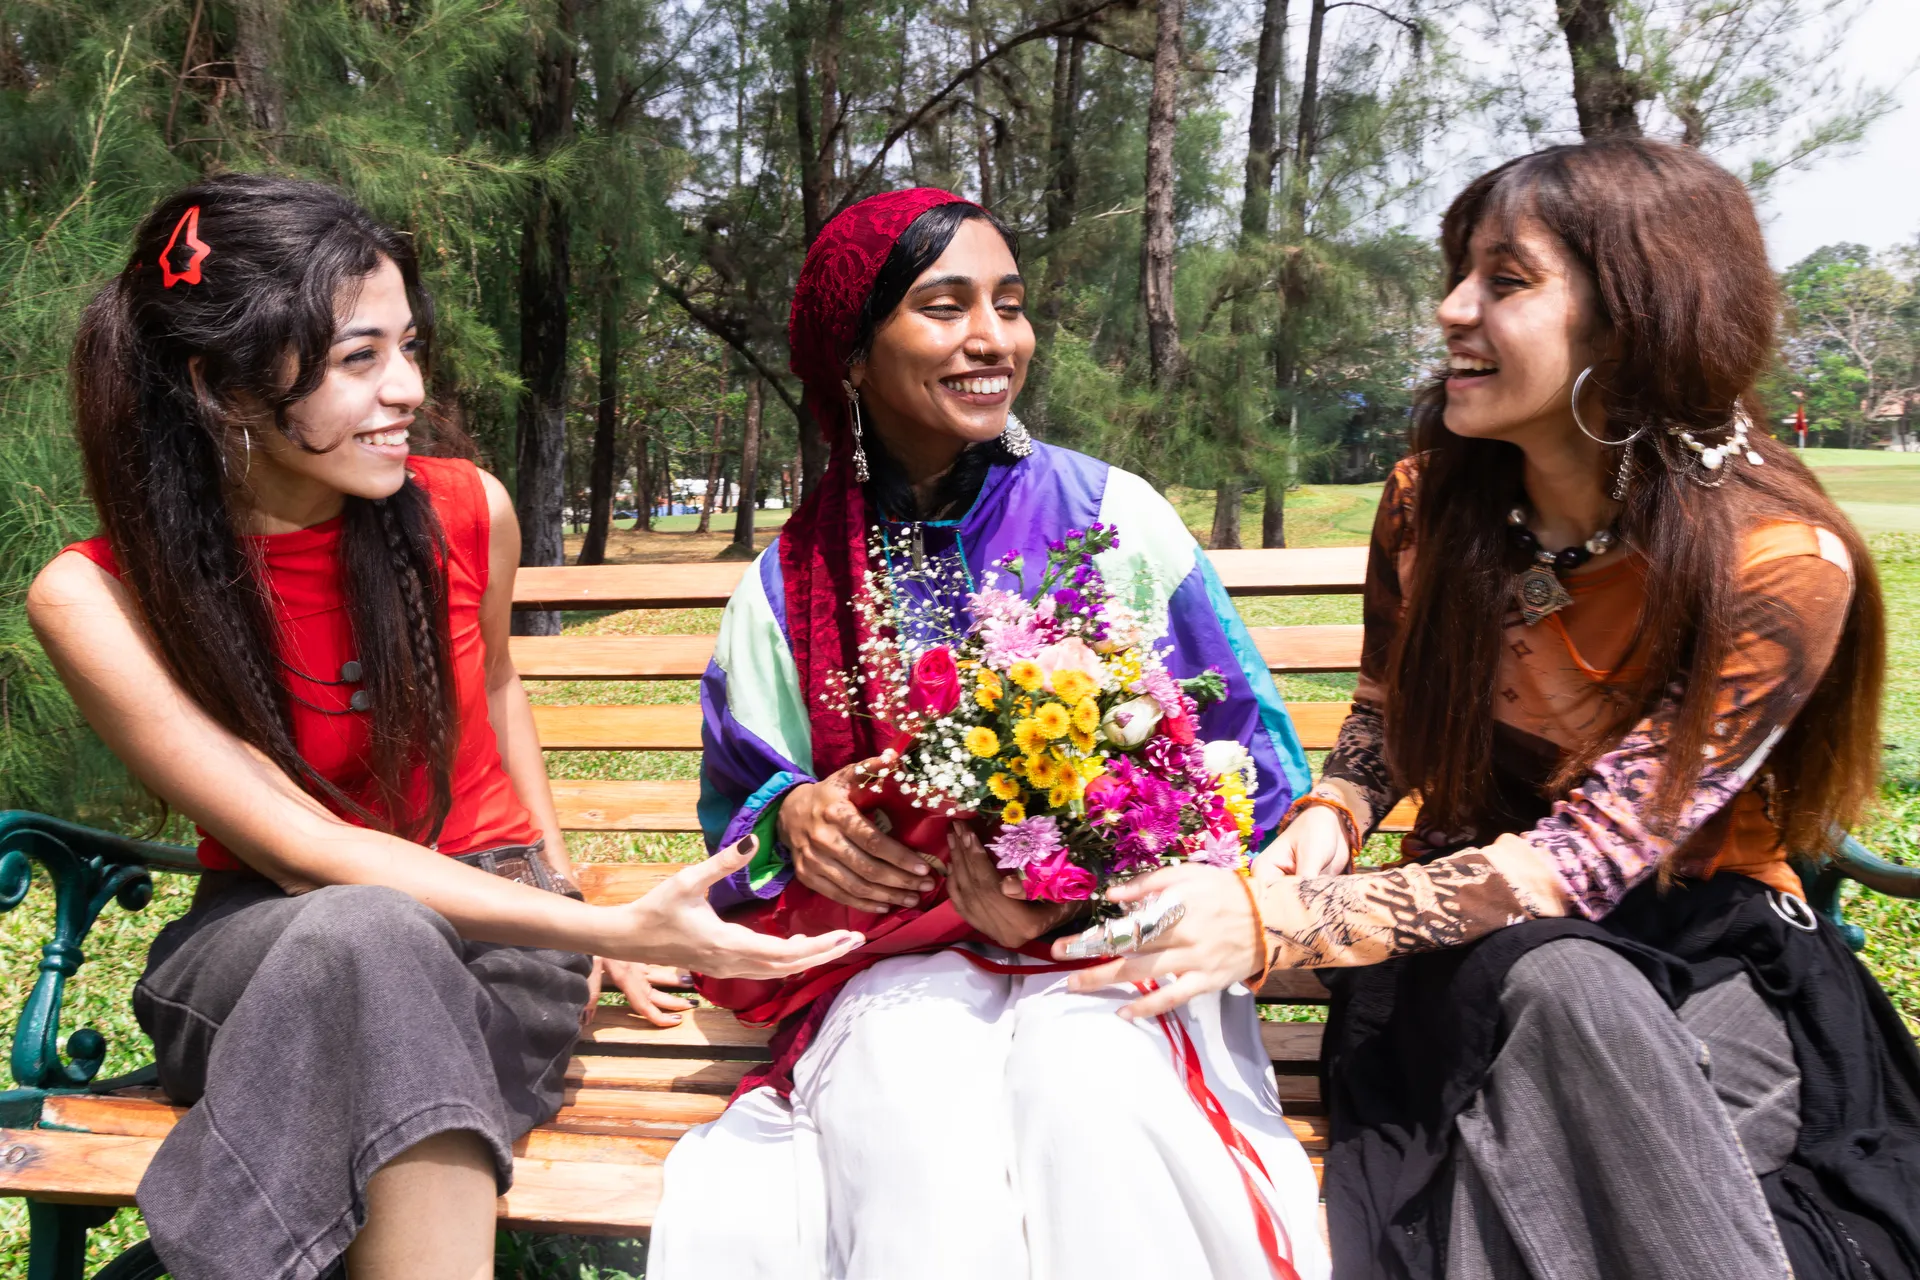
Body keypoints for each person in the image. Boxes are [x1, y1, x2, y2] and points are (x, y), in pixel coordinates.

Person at [1056, 138, 1920, 1279]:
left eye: (1506, 281)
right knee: (1567, 1002)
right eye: (1459, 270)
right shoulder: (1433, 502)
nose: (1452, 308)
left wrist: (1280, 923)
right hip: (1463, 951)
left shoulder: (1774, 559)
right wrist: (1331, 814)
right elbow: (1388, 710)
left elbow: (1586, 858)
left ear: (1638, 316)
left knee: (1567, 1058)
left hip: (1702, 945)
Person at [26, 174, 861, 1280]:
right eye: (359, 358)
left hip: (496, 945)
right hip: (268, 946)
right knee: (368, 929)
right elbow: (307, 851)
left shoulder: (470, 509)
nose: (408, 388)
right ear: (220, 384)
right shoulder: (103, 593)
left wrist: (558, 896)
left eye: (409, 347)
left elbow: (500, 695)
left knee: (387, 957)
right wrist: (611, 929)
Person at [647, 188, 1331, 1280]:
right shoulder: (790, 583)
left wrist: (1076, 900)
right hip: (892, 964)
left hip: (1112, 948)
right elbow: (739, 820)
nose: (991, 338)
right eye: (945, 304)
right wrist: (802, 812)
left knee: (1087, 1089)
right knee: (909, 1100)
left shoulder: (1115, 516)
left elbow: (1249, 770)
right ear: (853, 357)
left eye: (1008, 305)